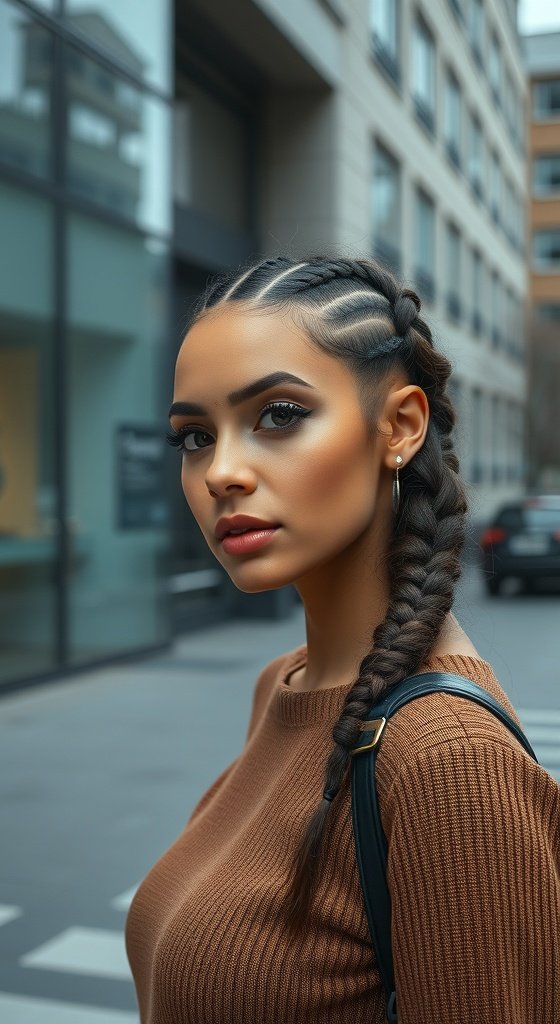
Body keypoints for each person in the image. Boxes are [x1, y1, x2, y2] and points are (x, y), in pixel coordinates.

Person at [124, 254, 559, 1023]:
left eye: (279, 415)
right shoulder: (283, 685)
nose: (222, 470)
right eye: (194, 436)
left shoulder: (449, 763)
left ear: (399, 427)